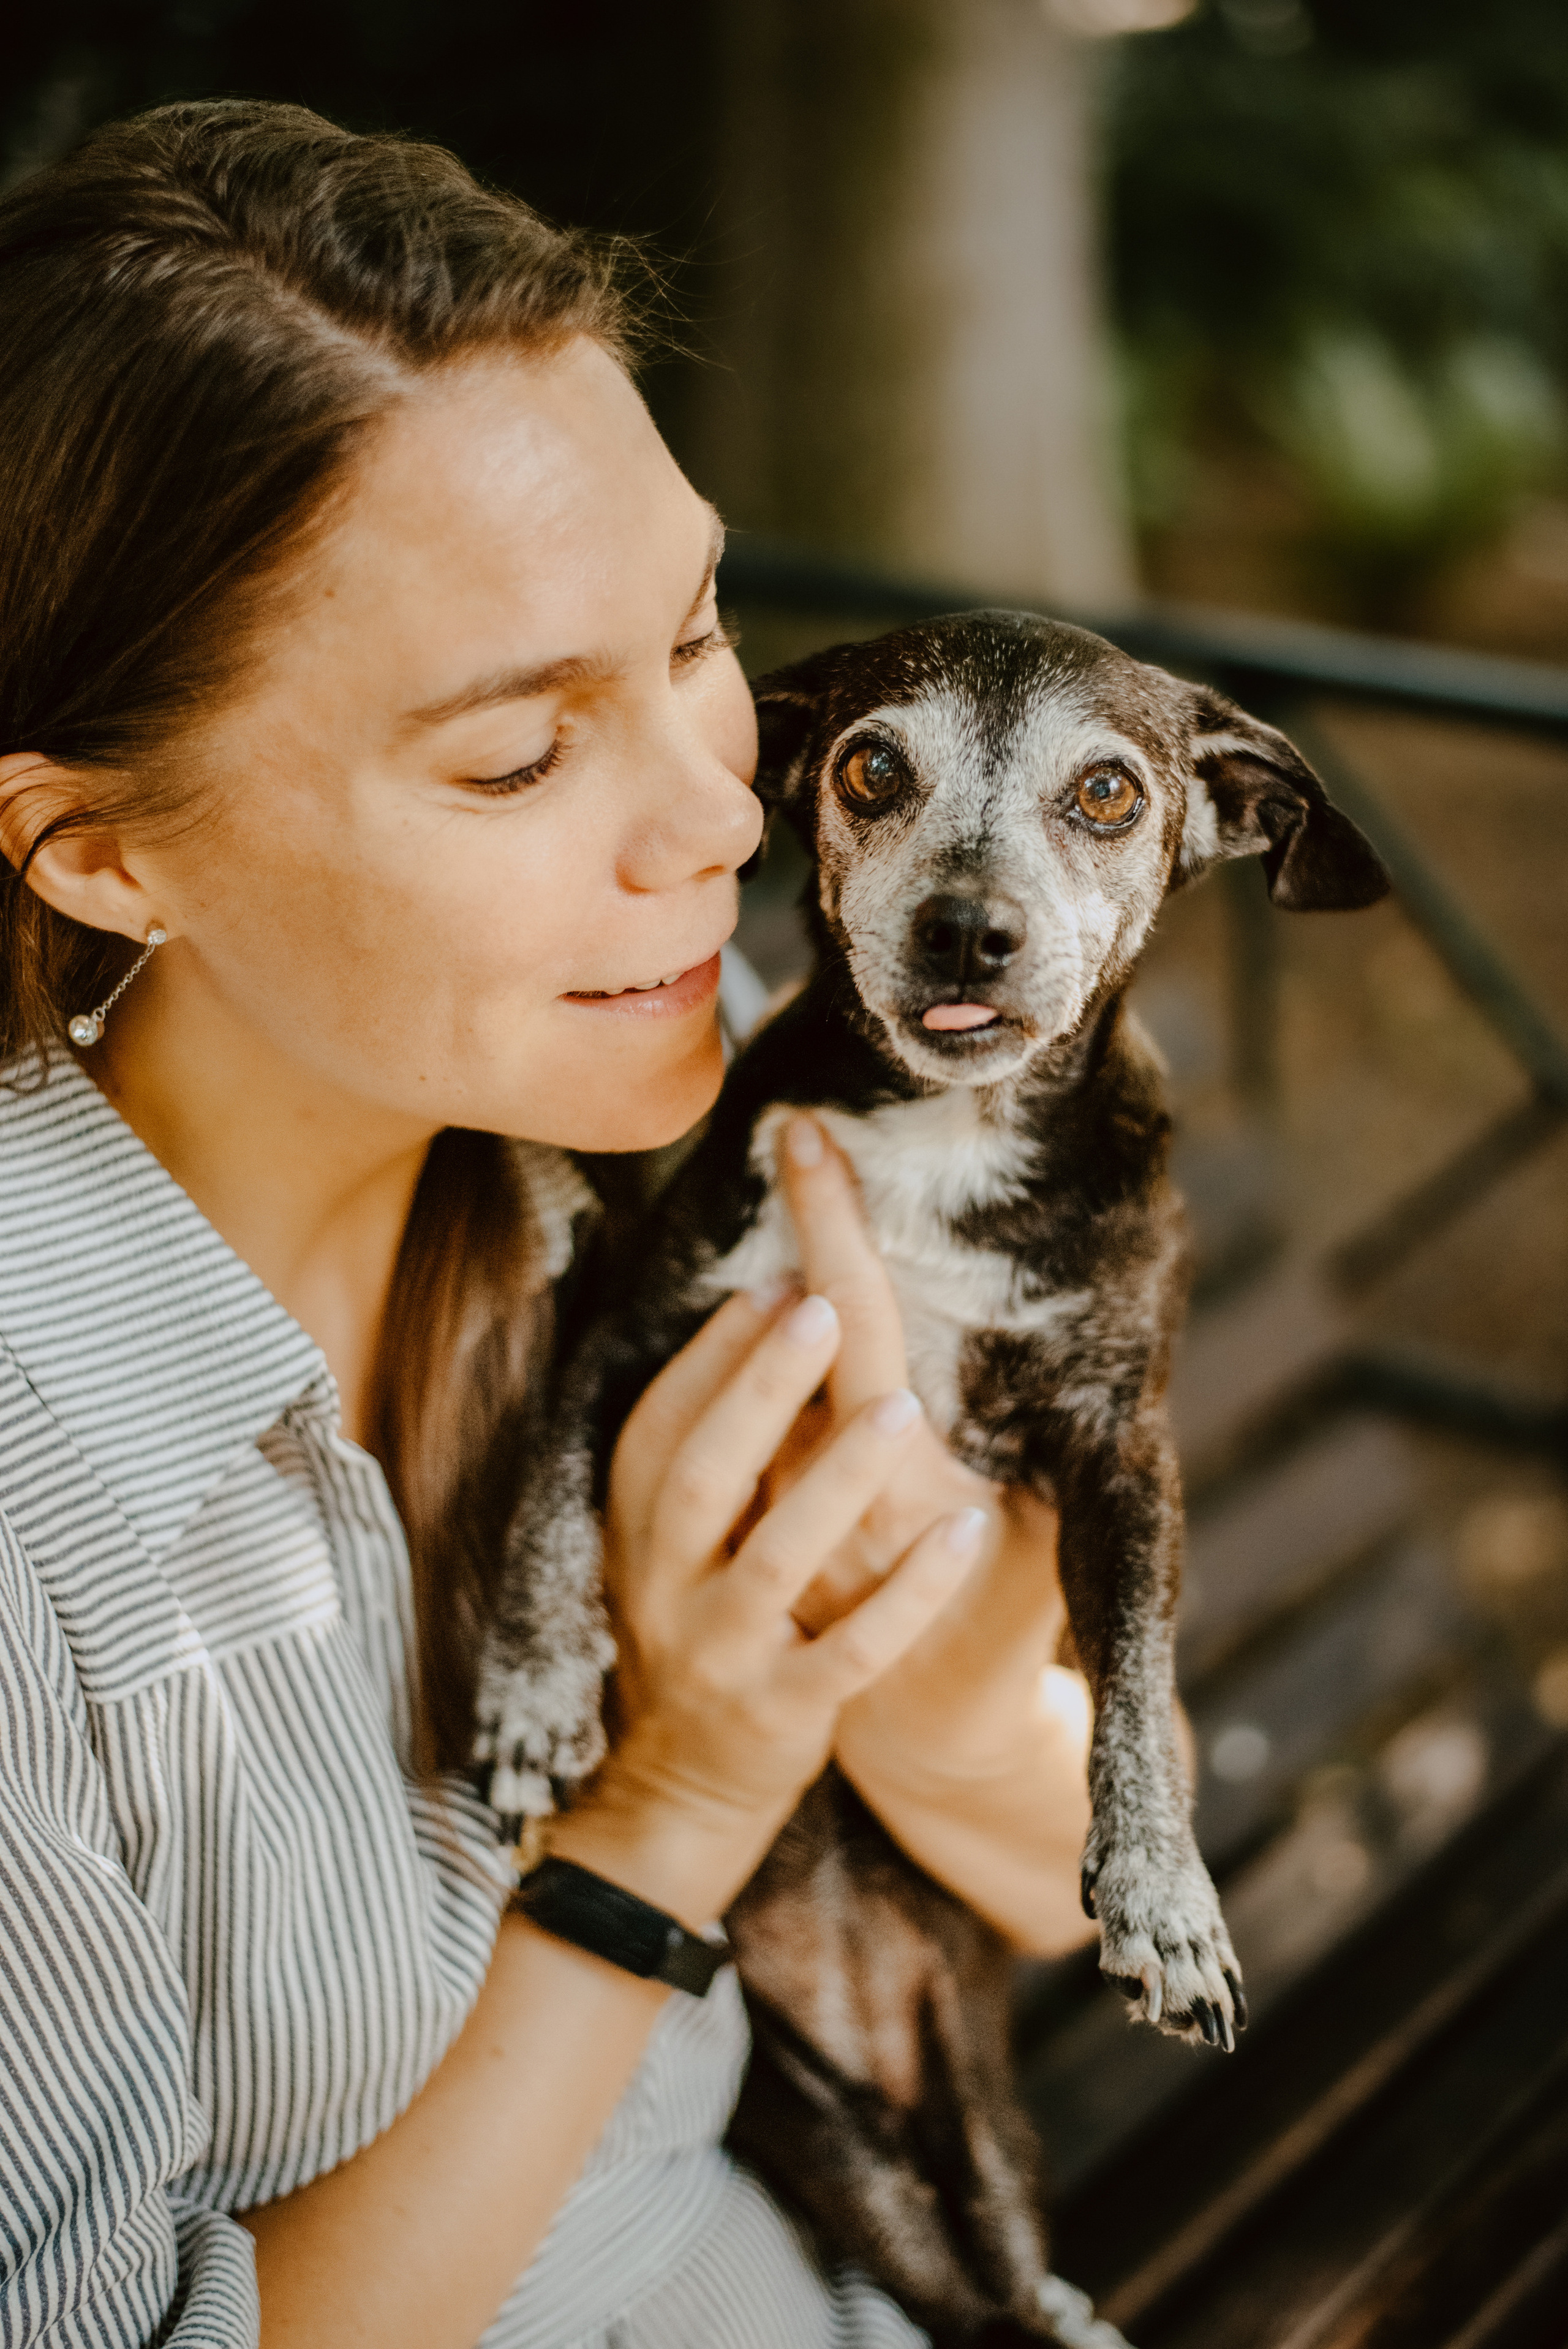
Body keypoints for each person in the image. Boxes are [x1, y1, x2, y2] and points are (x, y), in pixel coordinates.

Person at [0, 100, 1097, 2349]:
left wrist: (921, 1607)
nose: (724, 810)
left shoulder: (695, 1100)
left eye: (695, 632)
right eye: (520, 757)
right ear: (105, 850)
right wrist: (668, 1802)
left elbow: (1056, 1875)